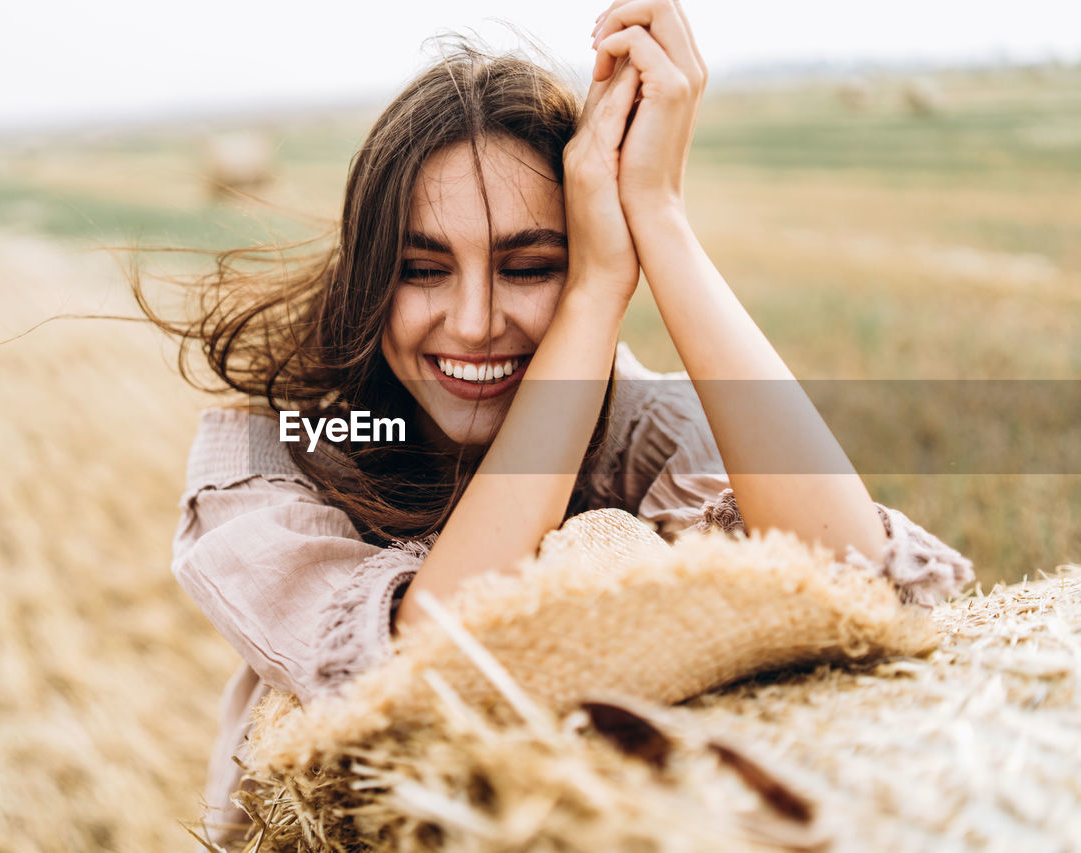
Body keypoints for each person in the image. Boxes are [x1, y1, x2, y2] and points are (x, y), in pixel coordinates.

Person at [146, 1, 971, 844]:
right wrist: (582, 292)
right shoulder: (278, 457)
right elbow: (419, 665)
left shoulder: (639, 429)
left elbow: (857, 582)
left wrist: (657, 218)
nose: (473, 322)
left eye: (532, 265)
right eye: (421, 269)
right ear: (368, 281)